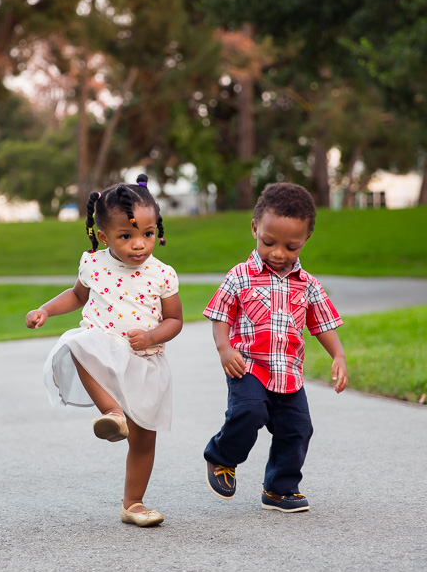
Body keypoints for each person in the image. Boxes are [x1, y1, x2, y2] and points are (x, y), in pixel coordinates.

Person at [26, 175, 182, 527]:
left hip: (145, 359)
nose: (139, 244)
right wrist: (46, 310)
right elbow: (78, 296)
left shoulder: (162, 274)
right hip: (104, 347)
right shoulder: (93, 264)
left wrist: (153, 333)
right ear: (104, 236)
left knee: (143, 439)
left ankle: (134, 503)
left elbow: (175, 320)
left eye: (148, 233)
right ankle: (111, 412)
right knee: (78, 342)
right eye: (127, 236)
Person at [202, 182, 348, 512]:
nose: (279, 253)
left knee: (297, 429)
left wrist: (338, 355)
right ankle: (221, 457)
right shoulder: (240, 276)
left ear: (305, 240)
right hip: (248, 366)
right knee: (249, 411)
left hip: (288, 375)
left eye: (291, 246)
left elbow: (322, 324)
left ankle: (280, 488)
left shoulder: (308, 284)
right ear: (255, 228)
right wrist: (224, 349)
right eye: (269, 242)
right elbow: (220, 314)